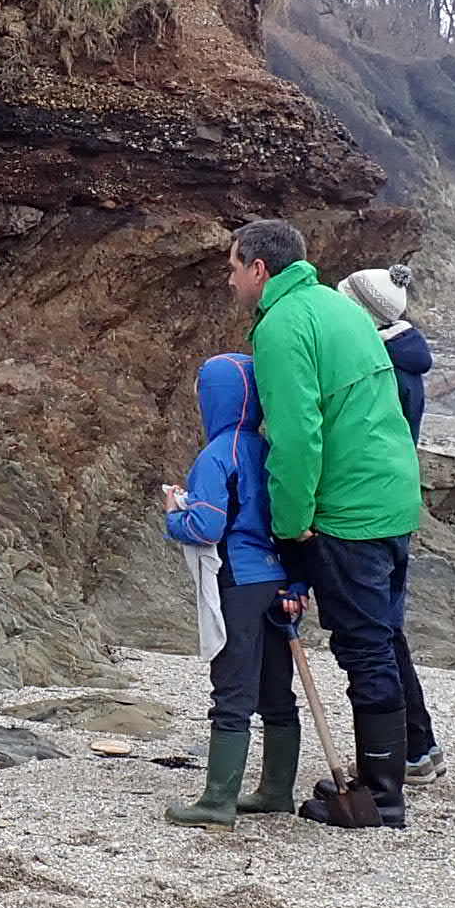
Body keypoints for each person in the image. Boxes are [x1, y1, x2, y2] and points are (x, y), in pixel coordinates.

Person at [230, 220, 425, 830]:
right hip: (392, 496)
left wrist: (290, 523)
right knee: (380, 636)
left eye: (233, 265)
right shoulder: (338, 310)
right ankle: (385, 772)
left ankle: (383, 794)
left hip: (349, 511)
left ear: (260, 269)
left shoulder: (284, 326)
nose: (229, 277)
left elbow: (295, 434)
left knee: (364, 647)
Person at [157, 351, 310, 825]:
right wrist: (297, 580)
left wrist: (172, 514)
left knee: (232, 691)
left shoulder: (217, 454)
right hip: (277, 580)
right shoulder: (269, 449)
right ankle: (275, 791)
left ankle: (217, 801)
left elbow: (207, 526)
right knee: (276, 692)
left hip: (238, 580)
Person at [339, 264, 444, 786]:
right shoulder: (407, 361)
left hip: (370, 512)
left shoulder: (382, 369)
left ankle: (405, 751)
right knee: (387, 629)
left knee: (376, 635)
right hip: (395, 509)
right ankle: (417, 745)